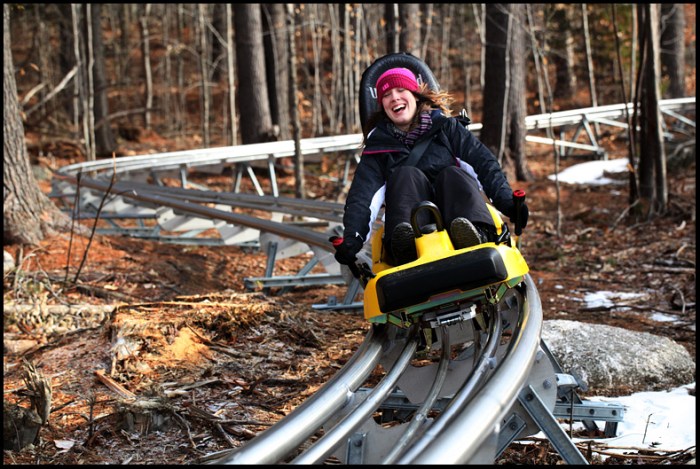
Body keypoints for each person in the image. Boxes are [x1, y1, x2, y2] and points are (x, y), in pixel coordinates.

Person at [334, 66, 528, 267]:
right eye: (387, 95)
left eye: (401, 90)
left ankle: (474, 233)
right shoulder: (377, 149)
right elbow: (362, 196)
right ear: (382, 105)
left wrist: (507, 203)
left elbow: (483, 164)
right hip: (415, 229)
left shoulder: (447, 128)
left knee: (452, 174)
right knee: (405, 175)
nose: (394, 98)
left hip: (457, 211)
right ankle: (406, 245)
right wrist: (353, 238)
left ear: (415, 96)